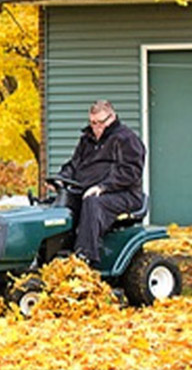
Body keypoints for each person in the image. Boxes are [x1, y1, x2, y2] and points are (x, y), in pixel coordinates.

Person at [53, 100, 146, 267]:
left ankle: (85, 257)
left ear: (112, 117)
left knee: (92, 201)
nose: (96, 127)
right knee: (55, 205)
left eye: (100, 122)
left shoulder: (126, 139)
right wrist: (61, 177)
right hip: (86, 190)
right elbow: (74, 165)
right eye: (93, 122)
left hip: (123, 194)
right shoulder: (86, 141)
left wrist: (103, 187)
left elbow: (131, 172)